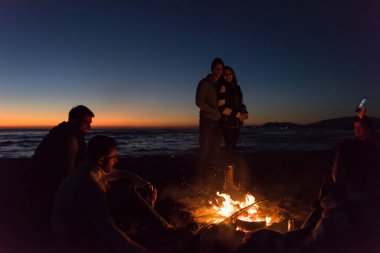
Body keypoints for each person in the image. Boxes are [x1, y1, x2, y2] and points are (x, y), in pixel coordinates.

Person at [52, 135, 176, 253]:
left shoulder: (90, 169)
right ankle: (163, 229)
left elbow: (120, 173)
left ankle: (163, 227)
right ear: (101, 160)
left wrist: (146, 185)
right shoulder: (90, 184)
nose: (116, 160)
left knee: (126, 186)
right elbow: (107, 229)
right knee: (127, 191)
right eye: (113, 157)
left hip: (74, 225)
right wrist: (139, 250)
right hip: (76, 237)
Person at [26, 105, 95, 230]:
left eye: (90, 123)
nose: (89, 127)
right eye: (86, 122)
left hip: (38, 179)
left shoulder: (61, 131)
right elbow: (66, 173)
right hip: (46, 184)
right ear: (74, 121)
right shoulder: (69, 139)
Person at [195, 57, 224, 189]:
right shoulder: (204, 83)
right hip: (207, 120)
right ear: (212, 69)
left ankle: (210, 177)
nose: (219, 71)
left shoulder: (222, 85)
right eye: (217, 68)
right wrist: (214, 112)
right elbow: (199, 102)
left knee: (215, 150)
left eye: (221, 69)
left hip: (219, 122)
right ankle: (199, 177)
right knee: (204, 149)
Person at [217, 66, 248, 166]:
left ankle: (229, 169)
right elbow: (221, 107)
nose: (227, 76)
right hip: (227, 124)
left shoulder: (238, 88)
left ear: (233, 75)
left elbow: (242, 104)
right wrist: (238, 114)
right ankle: (227, 170)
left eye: (229, 73)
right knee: (229, 148)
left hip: (237, 124)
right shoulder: (223, 87)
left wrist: (245, 113)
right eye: (225, 74)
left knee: (232, 148)